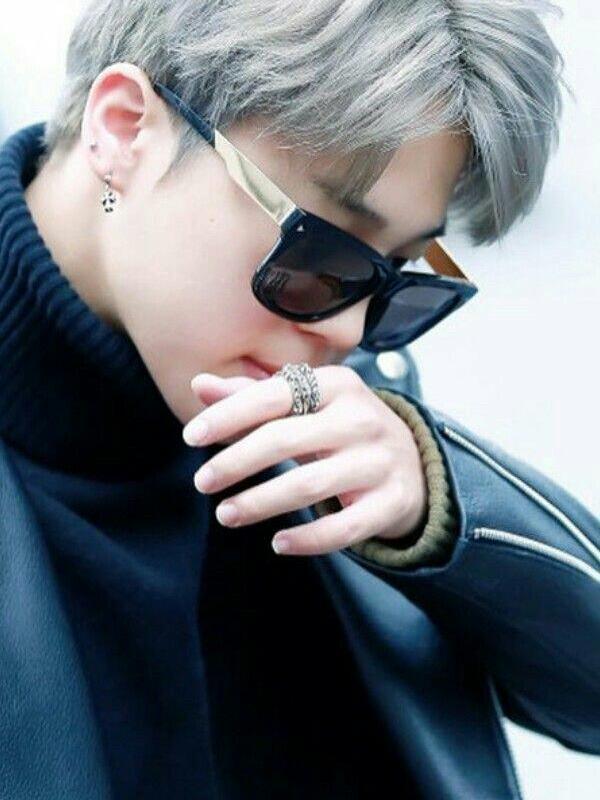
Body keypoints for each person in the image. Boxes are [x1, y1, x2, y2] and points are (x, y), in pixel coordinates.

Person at [0, 1, 597, 798]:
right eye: (319, 253)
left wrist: (440, 500)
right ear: (123, 131)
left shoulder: (349, 434)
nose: (348, 329)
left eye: (395, 277)